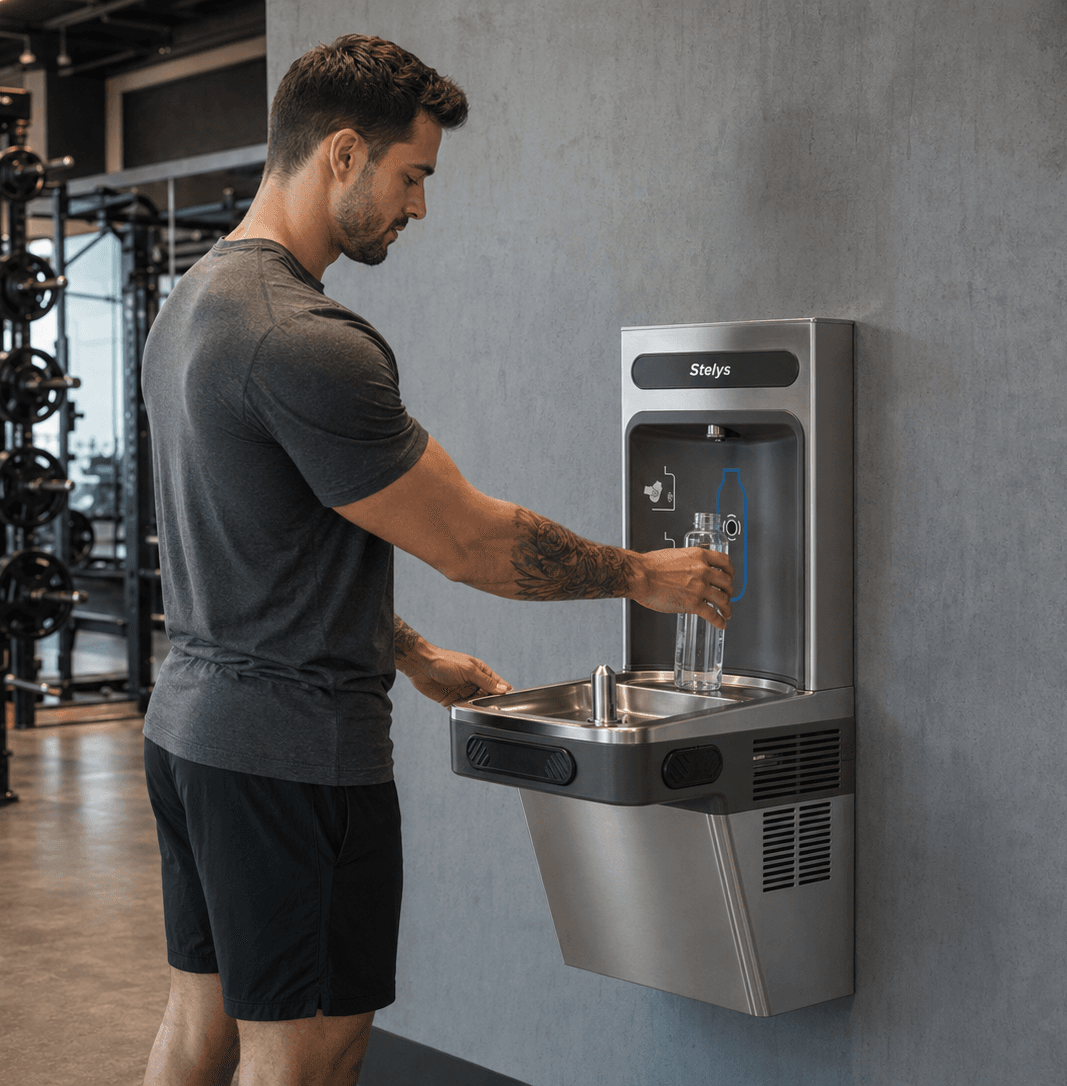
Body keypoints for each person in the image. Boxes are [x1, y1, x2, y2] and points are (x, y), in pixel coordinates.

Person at [139, 34, 734, 1086]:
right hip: (293, 758)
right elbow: (474, 544)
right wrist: (643, 574)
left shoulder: (191, 306)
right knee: (308, 1052)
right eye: (411, 176)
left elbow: (268, 546)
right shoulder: (305, 339)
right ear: (342, 153)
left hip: (193, 736)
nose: (418, 207)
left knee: (201, 1027)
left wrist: (408, 654)